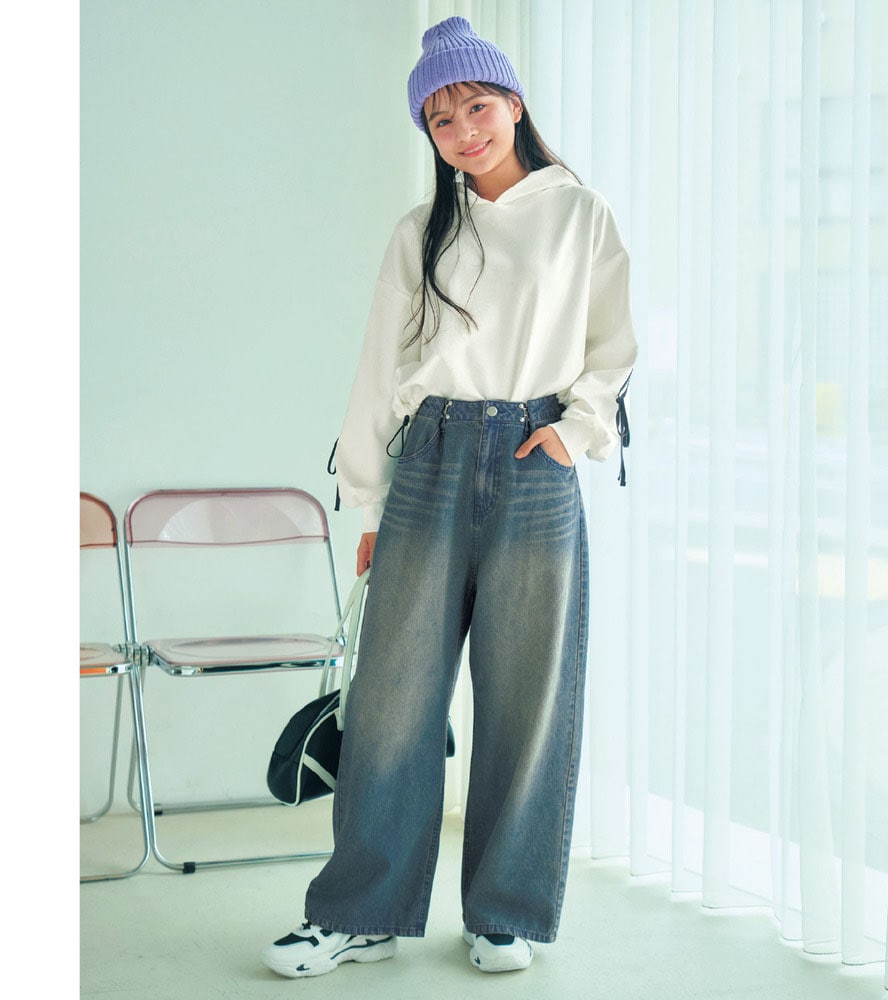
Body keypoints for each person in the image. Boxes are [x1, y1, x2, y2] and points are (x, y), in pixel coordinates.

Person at [261, 15, 637, 978]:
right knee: (392, 698)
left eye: (476, 105)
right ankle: (360, 912)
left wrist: (575, 432)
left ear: (514, 103)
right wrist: (370, 502)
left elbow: (613, 344)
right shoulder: (420, 232)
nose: (463, 128)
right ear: (428, 136)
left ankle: (504, 914)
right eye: (441, 118)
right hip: (427, 459)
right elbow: (378, 368)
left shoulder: (580, 213)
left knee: (527, 699)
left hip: (534, 459)